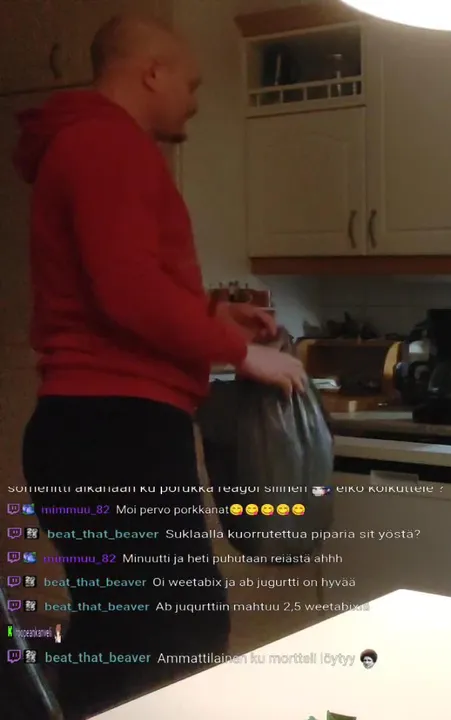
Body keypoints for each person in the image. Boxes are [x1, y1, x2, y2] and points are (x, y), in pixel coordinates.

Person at [12, 14, 308, 719]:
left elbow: (119, 286)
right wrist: (241, 353)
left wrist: (213, 314)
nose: (195, 101)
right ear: (152, 72)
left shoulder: (92, 143)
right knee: (166, 639)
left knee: (135, 635)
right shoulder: (105, 144)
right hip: (113, 430)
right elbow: (127, 292)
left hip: (97, 428)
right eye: (192, 83)